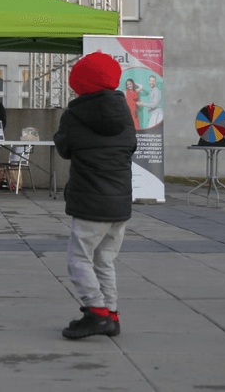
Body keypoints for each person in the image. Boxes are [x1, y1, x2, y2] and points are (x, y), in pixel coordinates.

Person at [54, 51, 137, 339]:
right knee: (105, 260)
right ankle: (111, 314)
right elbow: (130, 147)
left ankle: (96, 313)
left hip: (90, 200)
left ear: (78, 83)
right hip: (120, 201)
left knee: (79, 258)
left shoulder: (74, 114)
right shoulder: (124, 111)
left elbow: (64, 149)